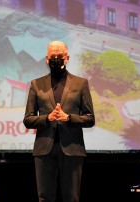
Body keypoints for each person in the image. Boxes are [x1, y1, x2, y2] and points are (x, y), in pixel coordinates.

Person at [23, 41, 95, 202]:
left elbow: (90, 118)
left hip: (72, 149)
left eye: (59, 56)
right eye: (52, 56)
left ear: (67, 57)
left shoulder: (80, 83)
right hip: (44, 150)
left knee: (71, 198)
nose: (56, 58)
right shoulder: (36, 84)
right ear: (47, 59)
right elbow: (28, 119)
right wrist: (46, 118)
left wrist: (69, 118)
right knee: (45, 198)